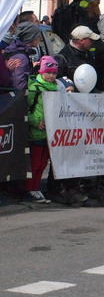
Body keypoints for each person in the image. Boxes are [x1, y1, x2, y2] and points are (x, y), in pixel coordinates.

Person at [23, 56, 60, 204]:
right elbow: (24, 109)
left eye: (54, 73)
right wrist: (35, 122)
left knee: (43, 163)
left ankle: (36, 188)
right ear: (41, 71)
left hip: (49, 134)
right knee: (35, 163)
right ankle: (29, 190)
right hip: (36, 132)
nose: (51, 76)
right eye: (48, 72)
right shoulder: (35, 88)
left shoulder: (56, 88)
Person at [4, 21, 41, 90]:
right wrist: (39, 86)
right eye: (38, 36)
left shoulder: (17, 48)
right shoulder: (21, 58)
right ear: (31, 37)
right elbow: (19, 86)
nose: (40, 39)